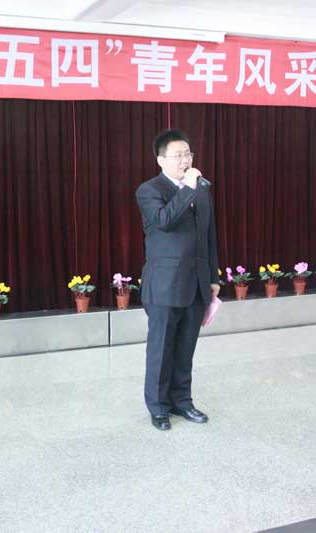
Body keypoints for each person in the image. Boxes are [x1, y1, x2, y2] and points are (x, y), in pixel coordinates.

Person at [135, 129, 220, 431]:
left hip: (196, 283)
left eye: (188, 154)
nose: (185, 160)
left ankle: (182, 401)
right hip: (164, 285)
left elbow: (209, 236)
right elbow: (165, 221)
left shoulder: (201, 190)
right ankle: (158, 407)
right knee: (161, 349)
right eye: (178, 155)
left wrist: (213, 276)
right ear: (161, 160)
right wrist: (188, 189)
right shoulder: (149, 190)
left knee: (185, 349)